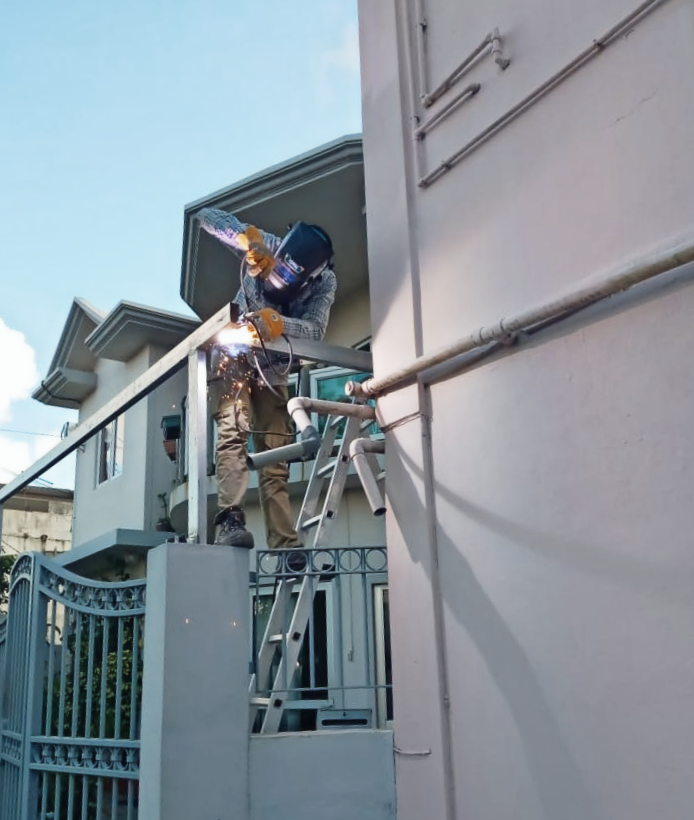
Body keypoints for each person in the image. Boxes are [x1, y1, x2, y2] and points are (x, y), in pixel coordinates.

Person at [195, 207, 337, 554]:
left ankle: (284, 545)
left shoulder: (325, 282)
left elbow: (316, 330)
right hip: (233, 357)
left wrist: (280, 324)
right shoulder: (271, 245)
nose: (281, 278)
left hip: (273, 370)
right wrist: (246, 240)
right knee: (232, 431)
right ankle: (230, 520)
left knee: (276, 455)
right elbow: (206, 217)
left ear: (313, 274)